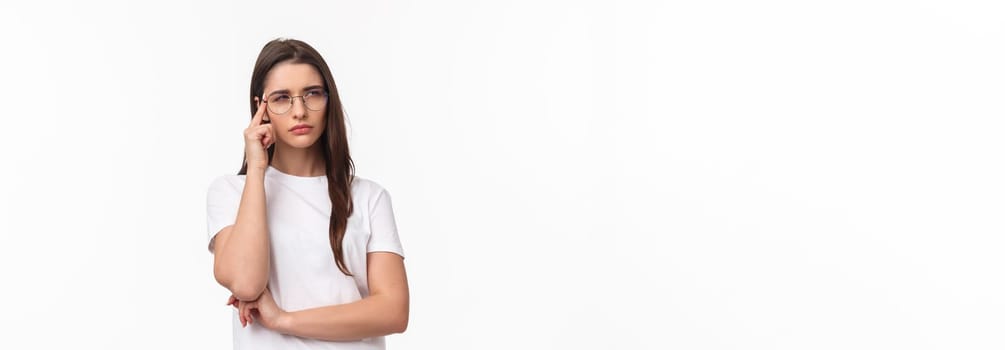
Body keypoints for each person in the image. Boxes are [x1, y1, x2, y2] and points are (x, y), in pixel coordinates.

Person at [205, 38, 409, 349]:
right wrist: (257, 169)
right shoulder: (232, 192)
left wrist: (284, 320)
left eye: (312, 93)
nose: (299, 110)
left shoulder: (369, 197)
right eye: (282, 98)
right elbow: (246, 282)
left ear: (330, 100)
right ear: (261, 107)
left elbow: (394, 312)